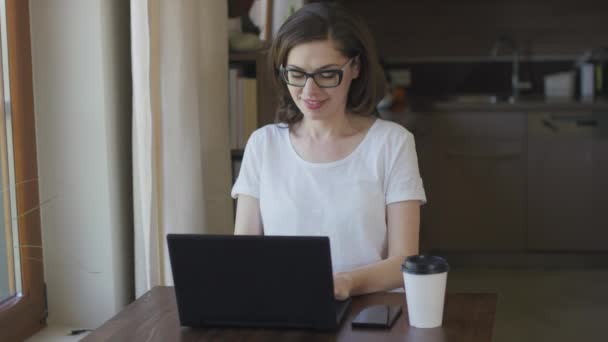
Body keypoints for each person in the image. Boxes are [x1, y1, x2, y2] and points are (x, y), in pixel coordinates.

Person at [231, 2, 426, 300]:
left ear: (356, 68)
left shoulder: (391, 143)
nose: (309, 91)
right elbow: (244, 253)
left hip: (370, 311)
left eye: (326, 74)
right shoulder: (263, 145)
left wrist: (344, 283)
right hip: (283, 307)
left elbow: (403, 261)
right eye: (296, 74)